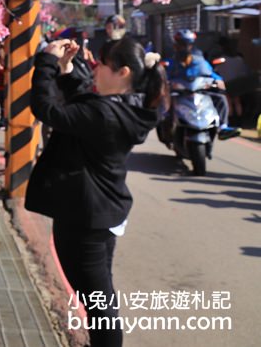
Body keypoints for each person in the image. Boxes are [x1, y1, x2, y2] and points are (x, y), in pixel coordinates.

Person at [26, 36, 168, 347]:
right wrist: (65, 70)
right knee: (100, 302)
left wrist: (48, 62)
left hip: (85, 220)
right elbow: (84, 102)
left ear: (123, 73)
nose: (95, 68)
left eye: (102, 64)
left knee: (100, 307)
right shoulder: (124, 108)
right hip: (99, 214)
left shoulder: (105, 113)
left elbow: (47, 110)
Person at [166, 29, 240, 140]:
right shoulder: (172, 62)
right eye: (182, 44)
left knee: (221, 99)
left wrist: (218, 81)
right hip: (179, 95)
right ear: (176, 45)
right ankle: (167, 128)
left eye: (188, 44)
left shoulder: (199, 60)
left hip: (199, 93)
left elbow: (210, 73)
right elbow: (166, 77)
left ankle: (223, 127)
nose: (185, 47)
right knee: (165, 105)